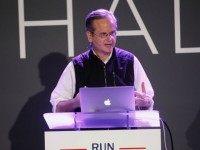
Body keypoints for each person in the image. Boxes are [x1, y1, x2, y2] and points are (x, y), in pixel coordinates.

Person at [50, 9, 154, 112]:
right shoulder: (77, 65)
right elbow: (57, 106)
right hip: (89, 128)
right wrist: (76, 102)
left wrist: (146, 102)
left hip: (125, 127)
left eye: (112, 33)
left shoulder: (129, 60)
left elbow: (148, 99)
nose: (110, 39)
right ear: (90, 36)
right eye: (104, 34)